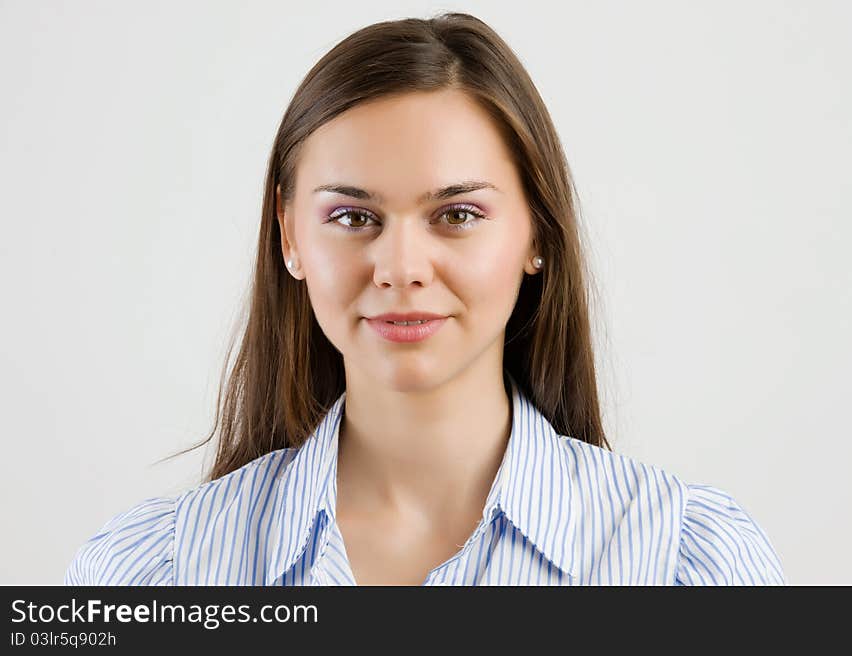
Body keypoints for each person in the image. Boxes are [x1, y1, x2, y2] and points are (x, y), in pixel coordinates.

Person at [64, 12, 785, 586]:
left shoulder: (688, 565)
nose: (402, 268)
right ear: (289, 235)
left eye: (458, 214)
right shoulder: (145, 577)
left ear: (537, 233)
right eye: (353, 217)